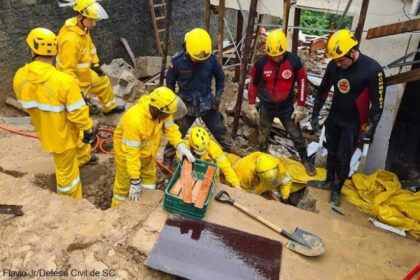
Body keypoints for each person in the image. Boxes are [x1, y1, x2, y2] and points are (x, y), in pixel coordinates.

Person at [13, 28, 96, 199]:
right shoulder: (65, 81)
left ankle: (83, 158)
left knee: (78, 146)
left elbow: (28, 105)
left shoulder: (19, 76)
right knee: (67, 177)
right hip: (63, 138)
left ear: (31, 50)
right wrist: (88, 129)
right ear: (56, 50)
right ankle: (69, 202)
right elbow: (78, 114)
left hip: (45, 129)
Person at [308, 29, 385, 207]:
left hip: (354, 122)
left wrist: (370, 130)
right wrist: (315, 114)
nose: (338, 64)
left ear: (353, 51)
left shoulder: (373, 70)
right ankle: (328, 181)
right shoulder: (334, 65)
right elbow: (323, 90)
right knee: (331, 152)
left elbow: (378, 104)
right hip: (335, 117)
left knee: (344, 157)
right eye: (335, 60)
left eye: (341, 60)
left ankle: (337, 189)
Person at [164, 27, 242, 166]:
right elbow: (169, 82)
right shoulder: (177, 61)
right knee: (177, 133)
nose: (198, 61)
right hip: (185, 104)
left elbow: (220, 78)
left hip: (207, 103)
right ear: (188, 50)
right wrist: (173, 102)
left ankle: (234, 151)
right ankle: (168, 157)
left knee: (220, 131)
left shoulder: (210, 59)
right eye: (195, 59)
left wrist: (217, 98)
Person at [111, 87, 195, 207]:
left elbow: (171, 129)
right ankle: (114, 214)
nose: (169, 116)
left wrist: (180, 145)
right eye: (167, 114)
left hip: (148, 155)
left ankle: (144, 207)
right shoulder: (134, 121)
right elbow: (131, 154)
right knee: (123, 188)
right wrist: (135, 180)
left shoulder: (163, 110)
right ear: (158, 110)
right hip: (127, 158)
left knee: (149, 181)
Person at [248, 29, 316, 176]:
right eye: (272, 55)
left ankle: (305, 159)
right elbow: (253, 84)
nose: (275, 58)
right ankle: (261, 156)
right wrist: (252, 104)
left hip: (286, 107)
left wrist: (300, 105)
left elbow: (303, 82)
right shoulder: (261, 64)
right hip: (267, 106)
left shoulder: (294, 62)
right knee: (263, 133)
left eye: (278, 55)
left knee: (296, 134)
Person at [56, 0, 124, 115]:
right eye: (91, 20)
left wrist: (96, 64)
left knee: (103, 82)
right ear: (80, 17)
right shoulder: (70, 40)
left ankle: (109, 108)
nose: (94, 23)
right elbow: (67, 71)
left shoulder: (82, 29)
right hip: (74, 80)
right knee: (78, 109)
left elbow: (90, 47)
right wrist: (76, 90)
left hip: (84, 73)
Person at [228, 152, 326, 203]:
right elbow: (241, 191)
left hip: (262, 181)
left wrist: (285, 198)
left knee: (297, 174)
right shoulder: (244, 172)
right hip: (248, 184)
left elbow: (286, 180)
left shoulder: (276, 164)